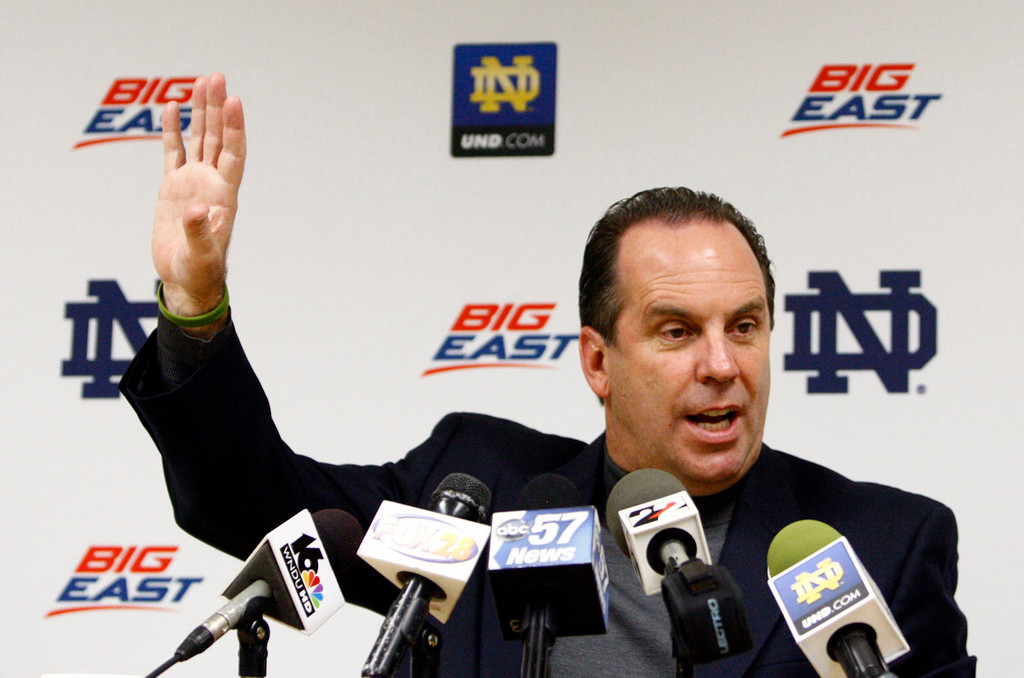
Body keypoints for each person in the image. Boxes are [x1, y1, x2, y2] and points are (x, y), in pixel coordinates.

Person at [121, 74, 975, 677]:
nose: (723, 366)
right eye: (677, 331)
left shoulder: (879, 547)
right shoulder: (478, 492)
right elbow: (246, 502)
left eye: (744, 328)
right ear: (599, 361)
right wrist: (195, 304)